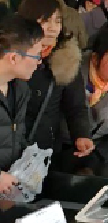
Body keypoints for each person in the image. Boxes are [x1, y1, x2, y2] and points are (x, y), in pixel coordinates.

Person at [18, 0, 94, 155]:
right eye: (46, 21)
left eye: (57, 21)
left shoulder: (66, 57)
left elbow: (76, 105)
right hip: (11, 150)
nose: (53, 28)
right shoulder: (13, 57)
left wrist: (81, 135)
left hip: (46, 151)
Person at [0, 15, 43, 194]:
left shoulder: (20, 89)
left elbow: (17, 138)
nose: (39, 62)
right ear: (14, 58)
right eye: (37, 55)